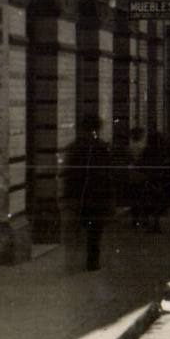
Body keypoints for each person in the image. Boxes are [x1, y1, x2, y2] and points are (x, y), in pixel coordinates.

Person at [62, 115, 114, 271]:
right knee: (95, 229)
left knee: (78, 227)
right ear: (97, 128)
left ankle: (75, 261)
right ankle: (92, 261)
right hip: (97, 195)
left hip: (79, 195)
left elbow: (69, 173)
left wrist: (68, 194)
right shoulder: (102, 147)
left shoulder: (74, 147)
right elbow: (107, 174)